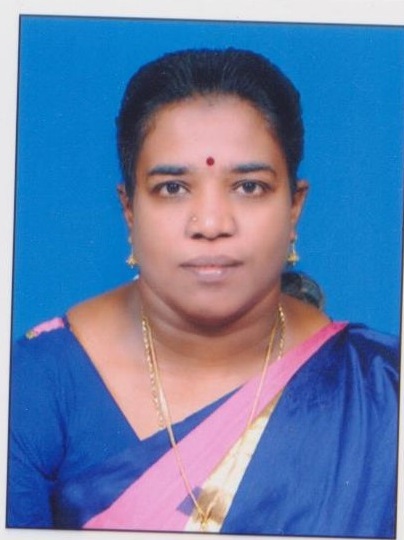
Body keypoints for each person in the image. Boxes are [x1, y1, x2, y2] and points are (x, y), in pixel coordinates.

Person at [7, 48, 398, 536]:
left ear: (295, 207)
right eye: (172, 188)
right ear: (129, 210)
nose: (211, 224)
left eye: (249, 186)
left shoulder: (382, 390)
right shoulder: (31, 386)